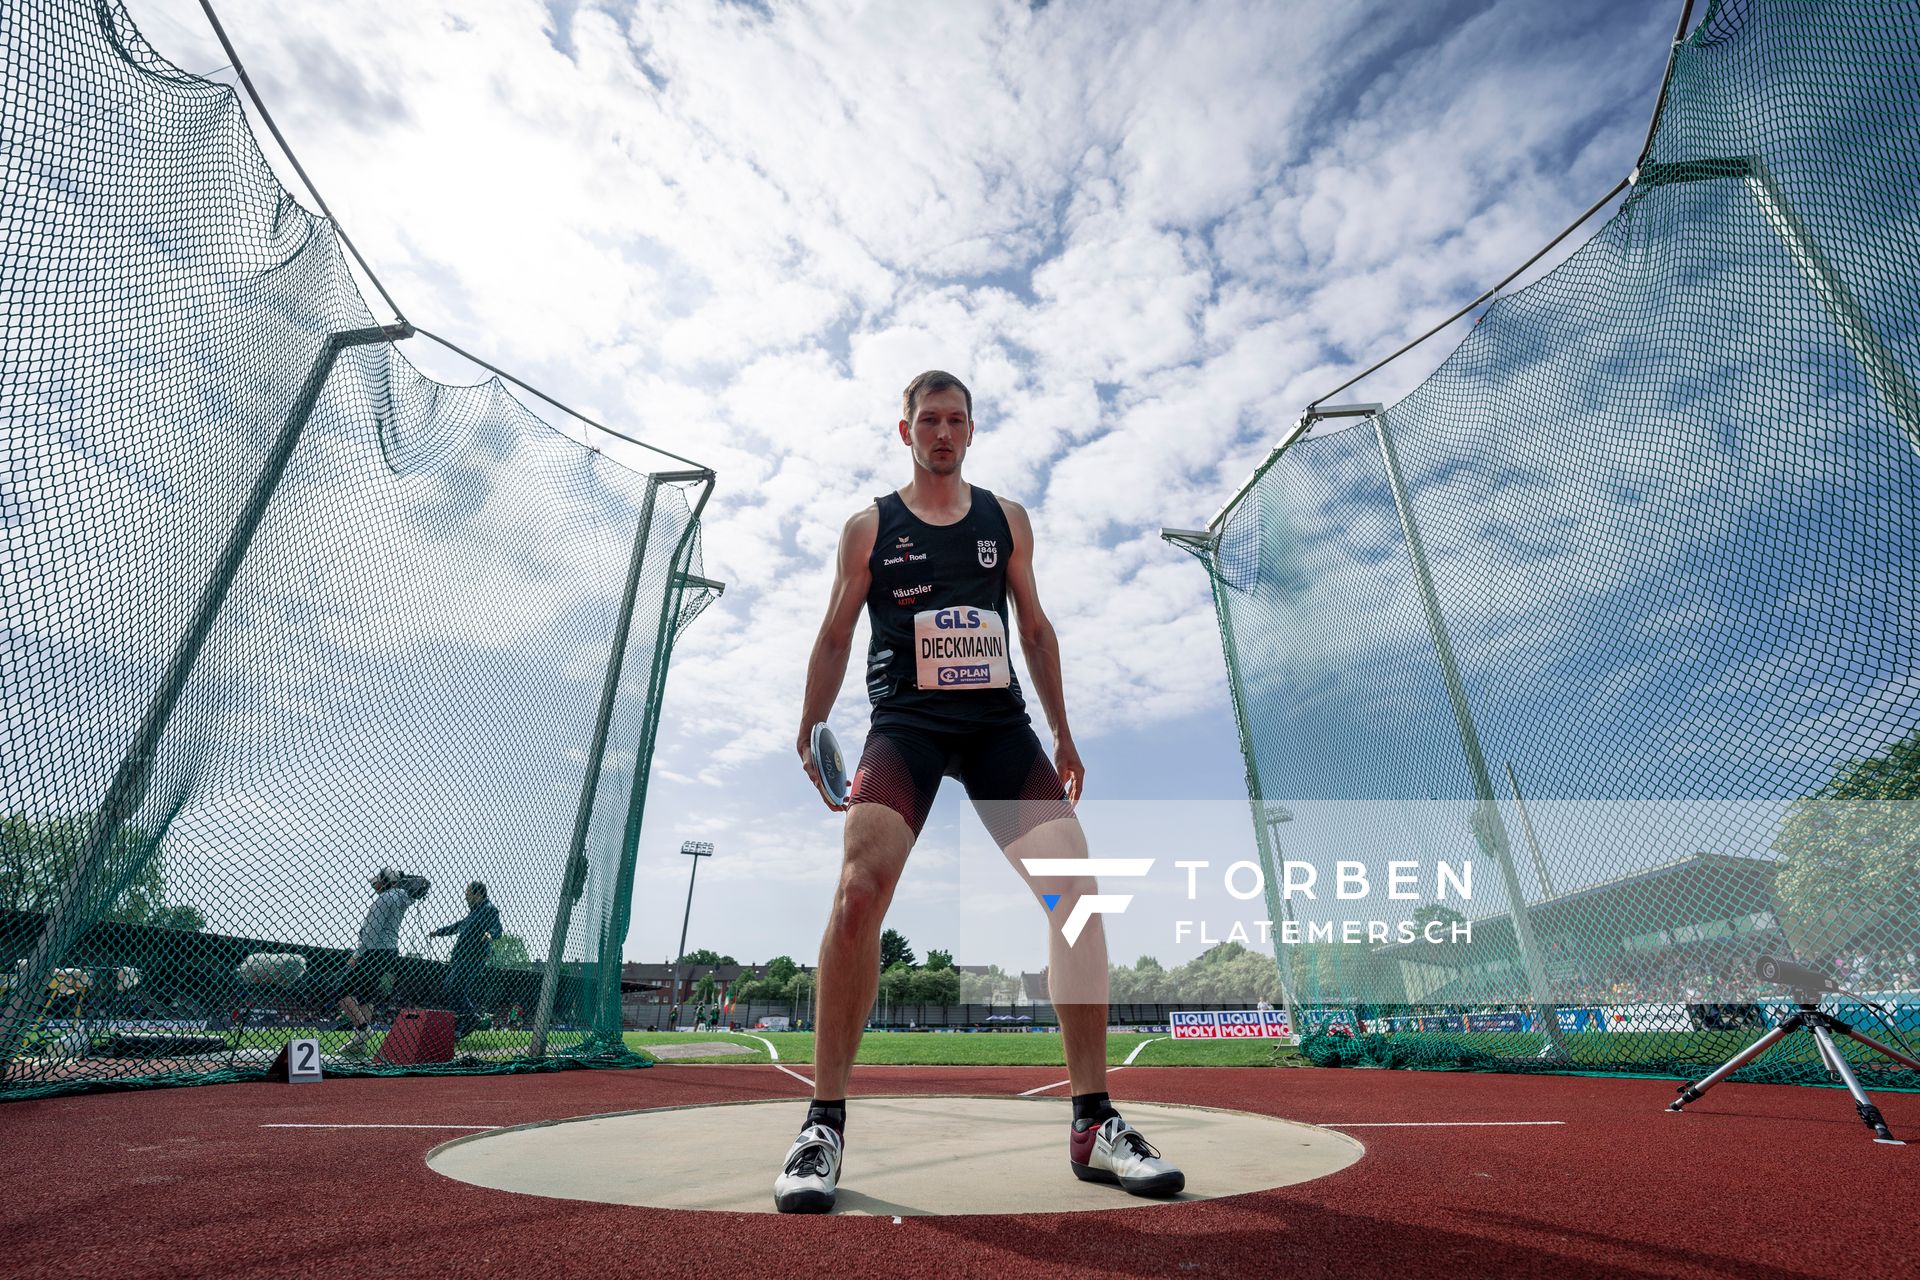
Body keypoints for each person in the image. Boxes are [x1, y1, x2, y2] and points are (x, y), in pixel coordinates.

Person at [776, 370, 1183, 1213]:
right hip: (909, 726)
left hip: (1000, 729)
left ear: (972, 430)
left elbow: (1033, 626)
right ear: (905, 432)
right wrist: (813, 730)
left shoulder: (1007, 521)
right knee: (858, 892)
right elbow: (834, 632)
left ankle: (1094, 1121)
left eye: (957, 420)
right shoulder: (869, 528)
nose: (943, 433)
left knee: (1076, 893)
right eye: (929, 420)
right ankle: (822, 1125)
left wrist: (1065, 732)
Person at [336, 867, 423, 1054]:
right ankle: (359, 1043)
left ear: (385, 881)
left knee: (341, 991)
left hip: (374, 950)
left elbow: (372, 930)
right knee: (366, 994)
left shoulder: (383, 899)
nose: (375, 885)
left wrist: (357, 954)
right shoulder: (401, 898)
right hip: (390, 952)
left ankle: (363, 1029)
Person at [428, 881, 500, 1041]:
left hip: (473, 956)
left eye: (468, 894)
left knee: (454, 987)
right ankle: (460, 1027)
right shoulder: (473, 913)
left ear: (478, 895)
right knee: (452, 987)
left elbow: (497, 928)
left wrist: (490, 934)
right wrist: (438, 932)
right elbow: (456, 926)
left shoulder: (489, 909)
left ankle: (469, 1018)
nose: (465, 897)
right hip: (462, 957)